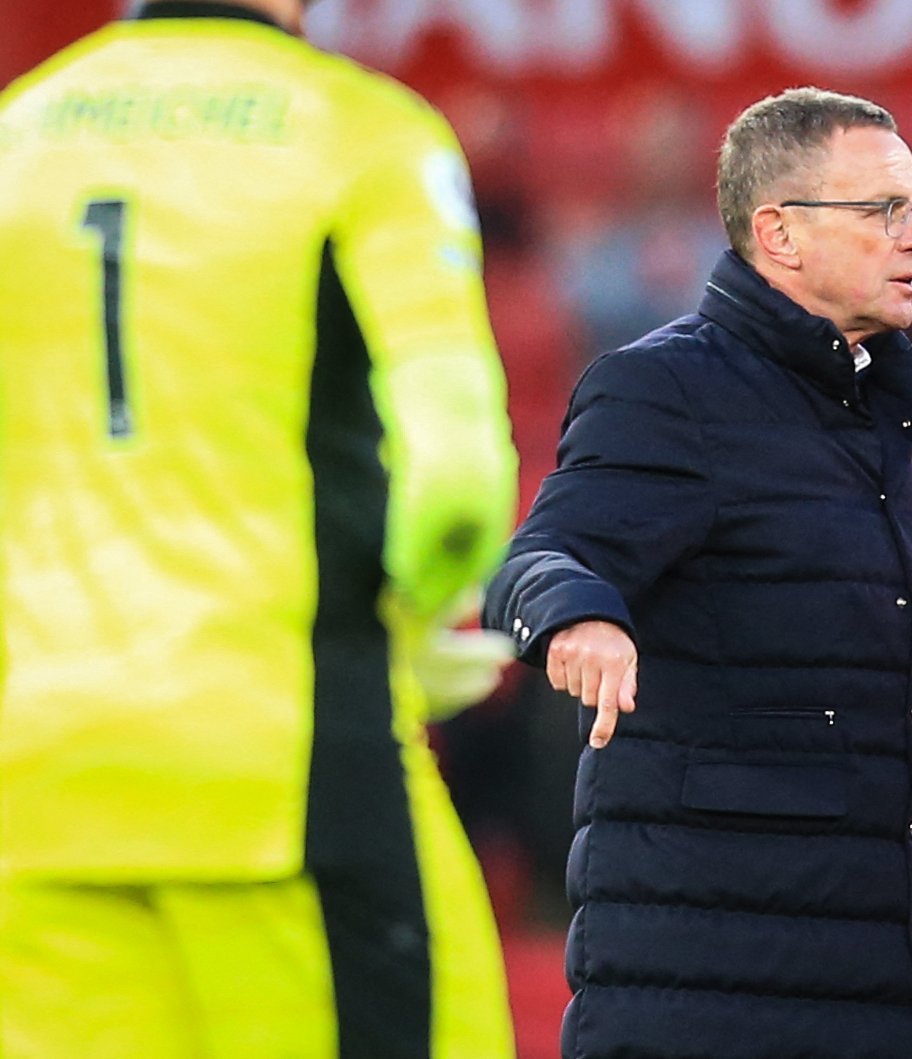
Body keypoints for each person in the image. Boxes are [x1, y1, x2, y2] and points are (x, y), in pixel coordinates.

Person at [0, 2, 520, 1057]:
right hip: (281, 771)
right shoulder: (363, 133)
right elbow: (457, 481)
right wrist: (431, 616)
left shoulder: (18, 130)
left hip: (35, 780)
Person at [483, 87, 912, 1058]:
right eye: (882, 211)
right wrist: (581, 616)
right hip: (704, 998)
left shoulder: (870, 415)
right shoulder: (670, 386)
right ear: (779, 233)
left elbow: (879, 744)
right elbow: (539, 555)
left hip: (862, 983)